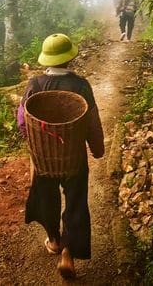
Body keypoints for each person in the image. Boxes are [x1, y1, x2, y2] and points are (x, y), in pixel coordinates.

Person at [17, 33, 105, 279]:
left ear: (46, 59)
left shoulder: (35, 85)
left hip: (44, 160)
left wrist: (35, 143)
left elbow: (23, 120)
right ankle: (68, 251)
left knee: (46, 197)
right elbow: (92, 121)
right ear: (69, 58)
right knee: (76, 202)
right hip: (74, 158)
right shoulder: (81, 86)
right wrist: (97, 148)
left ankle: (54, 240)